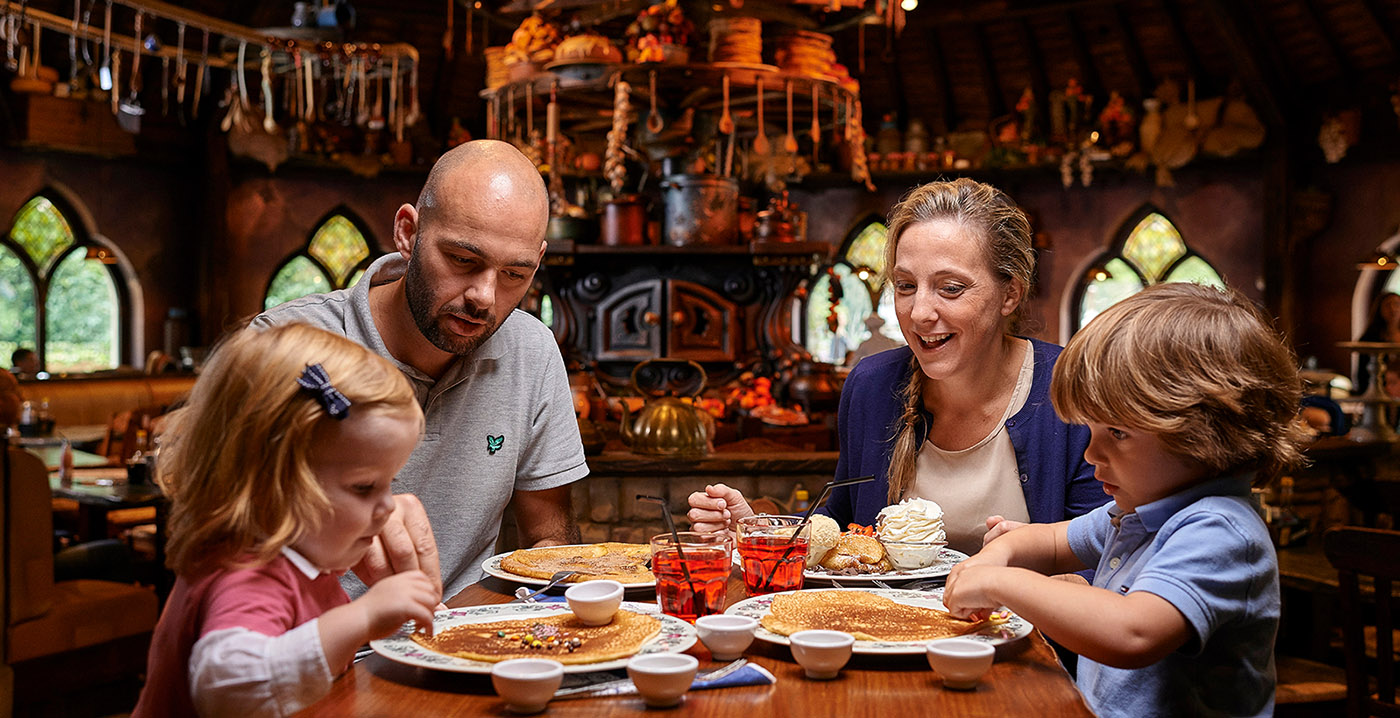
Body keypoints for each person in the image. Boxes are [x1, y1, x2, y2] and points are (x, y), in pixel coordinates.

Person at [942, 283, 1307, 718]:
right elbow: (1053, 542)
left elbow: (1132, 633)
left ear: (1205, 429)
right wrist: (997, 555)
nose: (1092, 455)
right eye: (1091, 432)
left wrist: (1002, 583)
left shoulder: (1219, 531)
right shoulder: (1137, 510)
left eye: (1117, 433)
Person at [689, 178, 1105, 554]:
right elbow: (842, 532)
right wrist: (759, 534)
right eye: (905, 286)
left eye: (951, 288)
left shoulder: (1071, 388)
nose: (919, 312)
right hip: (884, 636)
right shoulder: (871, 385)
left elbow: (1102, 562)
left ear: (1009, 294)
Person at [254, 139, 588, 600]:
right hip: (315, 651)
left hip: (468, 646)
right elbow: (212, 534)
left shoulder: (531, 350)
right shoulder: (283, 343)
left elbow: (549, 542)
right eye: (463, 260)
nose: (485, 297)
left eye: (515, 274)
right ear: (409, 233)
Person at [133, 323, 439, 717]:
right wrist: (362, 616)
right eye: (364, 487)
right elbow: (228, 686)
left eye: (389, 483)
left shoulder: (304, 561)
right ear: (269, 483)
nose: (388, 507)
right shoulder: (247, 572)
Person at [1356, 291, 1400, 394]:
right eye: (1388, 305)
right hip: (1377, 390)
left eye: (1397, 304)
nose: (1393, 309)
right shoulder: (1370, 338)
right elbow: (1362, 372)